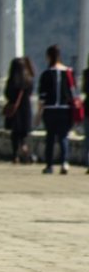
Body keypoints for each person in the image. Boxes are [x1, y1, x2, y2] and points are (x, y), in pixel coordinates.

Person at [37, 44, 76, 174]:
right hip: (65, 109)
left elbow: (42, 97)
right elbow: (73, 92)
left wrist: (38, 113)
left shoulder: (46, 74)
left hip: (50, 110)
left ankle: (49, 165)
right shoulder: (69, 73)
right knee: (63, 137)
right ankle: (65, 162)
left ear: (48, 57)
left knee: (50, 138)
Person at [2, 56, 34, 164]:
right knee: (24, 133)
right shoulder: (28, 80)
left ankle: (15, 155)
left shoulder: (12, 80)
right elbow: (30, 93)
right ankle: (25, 149)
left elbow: (7, 93)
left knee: (15, 133)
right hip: (25, 108)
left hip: (15, 108)